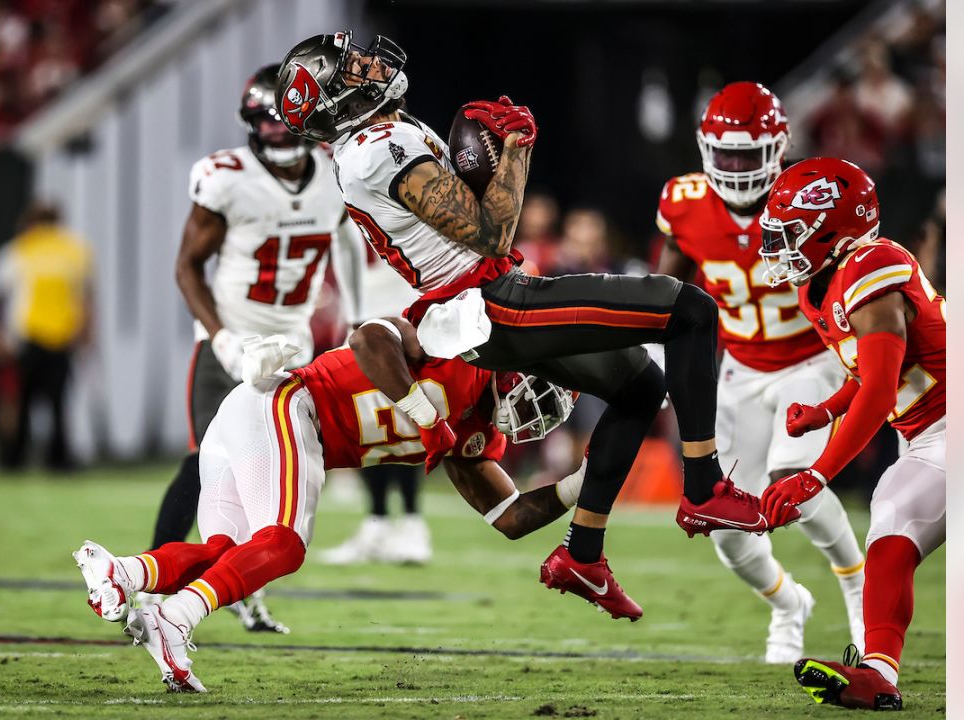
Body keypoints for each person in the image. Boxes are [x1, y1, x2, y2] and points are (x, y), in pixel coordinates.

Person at [274, 31, 789, 620]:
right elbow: (490, 233)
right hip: (490, 302)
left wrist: (484, 155)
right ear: (334, 99)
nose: (368, 64)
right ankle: (704, 488)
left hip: (482, 303)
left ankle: (583, 556)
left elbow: (468, 212)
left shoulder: (378, 139)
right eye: (351, 67)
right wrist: (517, 147)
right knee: (692, 309)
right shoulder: (373, 147)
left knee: (642, 386)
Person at [73, 319, 587, 692]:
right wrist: (425, 415)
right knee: (285, 546)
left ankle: (123, 572)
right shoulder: (458, 345)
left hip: (260, 419)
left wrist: (580, 484)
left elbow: (511, 517)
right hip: (290, 404)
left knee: (228, 555)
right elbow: (368, 338)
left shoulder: (474, 435)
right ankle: (176, 618)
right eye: (537, 392)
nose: (534, 413)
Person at [149, 64, 366, 630]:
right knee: (205, 465)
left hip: (290, 351)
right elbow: (186, 267)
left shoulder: (334, 175)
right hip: (230, 343)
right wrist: (221, 338)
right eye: (264, 122)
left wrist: (357, 317)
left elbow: (349, 245)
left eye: (285, 121)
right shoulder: (226, 177)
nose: (275, 133)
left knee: (271, 483)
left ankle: (242, 591)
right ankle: (152, 585)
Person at [654, 82, 865, 664]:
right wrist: (649, 353)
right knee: (724, 522)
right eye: (728, 155)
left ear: (780, 146)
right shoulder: (684, 201)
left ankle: (858, 590)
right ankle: (788, 605)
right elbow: (667, 292)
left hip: (811, 357)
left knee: (790, 478)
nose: (738, 168)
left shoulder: (813, 195)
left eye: (750, 155)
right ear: (705, 149)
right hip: (740, 368)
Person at [755, 158, 945, 711]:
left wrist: (815, 474)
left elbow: (883, 388)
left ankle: (880, 671)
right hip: (935, 429)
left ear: (833, 228)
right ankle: (879, 672)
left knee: (894, 509)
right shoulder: (822, 284)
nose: (777, 246)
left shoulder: (871, 265)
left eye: (789, 233)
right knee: (893, 521)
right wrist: (826, 410)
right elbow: (870, 371)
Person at [319, 250, 431, 567]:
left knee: (407, 423)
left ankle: (411, 523)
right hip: (365, 313)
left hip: (401, 315)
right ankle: (378, 520)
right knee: (371, 424)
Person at [0, 201, 93, 471]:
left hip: (26, 338)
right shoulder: (75, 250)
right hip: (61, 338)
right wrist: (86, 332)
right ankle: (59, 461)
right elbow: (86, 297)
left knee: (19, 402)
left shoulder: (18, 250)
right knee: (58, 405)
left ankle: (14, 460)